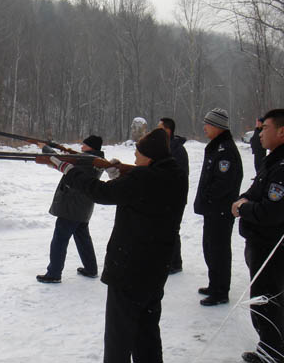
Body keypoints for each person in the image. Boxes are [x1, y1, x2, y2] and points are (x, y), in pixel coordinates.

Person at [45, 128, 188, 362]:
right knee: (147, 333)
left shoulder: (142, 178)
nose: (135, 158)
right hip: (155, 269)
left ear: (150, 158)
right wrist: (118, 174)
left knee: (118, 340)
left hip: (128, 270)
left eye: (139, 154)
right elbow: (141, 196)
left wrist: (67, 169)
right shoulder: (176, 177)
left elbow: (99, 192)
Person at [231, 109, 284, 363]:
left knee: (268, 301)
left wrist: (243, 207)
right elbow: (256, 190)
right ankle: (269, 348)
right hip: (261, 243)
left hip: (275, 247)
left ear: (282, 131)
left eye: (264, 128)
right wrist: (243, 200)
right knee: (264, 299)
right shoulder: (275, 160)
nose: (259, 133)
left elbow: (272, 211)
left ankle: (274, 354)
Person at [36, 135, 105, 284]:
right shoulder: (95, 160)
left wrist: (44, 148)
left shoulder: (87, 159)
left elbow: (60, 161)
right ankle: (91, 269)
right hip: (82, 205)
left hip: (72, 205)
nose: (81, 147)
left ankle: (54, 273)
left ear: (90, 147)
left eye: (84, 145)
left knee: (59, 240)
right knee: (82, 237)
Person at [194, 108, 243, 306]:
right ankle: (215, 284)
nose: (204, 127)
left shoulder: (225, 150)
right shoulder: (217, 147)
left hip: (220, 210)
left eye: (207, 124)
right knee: (210, 247)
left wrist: (207, 198)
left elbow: (223, 183)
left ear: (217, 126)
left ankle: (221, 291)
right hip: (213, 210)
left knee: (218, 250)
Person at [157, 117, 189, 274]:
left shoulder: (177, 151)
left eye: (160, 128)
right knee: (164, 228)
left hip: (174, 197)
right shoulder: (165, 147)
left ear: (168, 131)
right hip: (163, 196)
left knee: (171, 229)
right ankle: (169, 260)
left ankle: (175, 263)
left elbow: (177, 176)